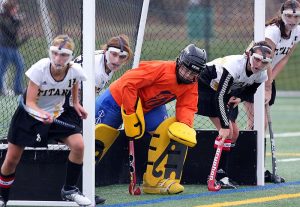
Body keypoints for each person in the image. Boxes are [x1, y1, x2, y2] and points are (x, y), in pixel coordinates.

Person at [94, 44, 207, 194]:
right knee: (98, 137)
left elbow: (187, 106)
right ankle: (80, 182)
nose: (187, 75)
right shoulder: (160, 69)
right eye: (186, 69)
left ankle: (155, 181)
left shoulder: (191, 84)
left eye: (192, 73)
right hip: (116, 99)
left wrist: (184, 126)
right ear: (179, 62)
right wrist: (130, 113)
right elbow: (129, 83)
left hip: (149, 106)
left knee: (166, 134)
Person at [0, 35, 91, 207]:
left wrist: (76, 103)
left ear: (70, 57)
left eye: (63, 55)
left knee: (79, 145)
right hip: (29, 116)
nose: (58, 58)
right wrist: (41, 114)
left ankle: (70, 190)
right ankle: (2, 197)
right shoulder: (39, 69)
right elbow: (30, 102)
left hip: (57, 114)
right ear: (51, 52)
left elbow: (74, 82)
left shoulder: (76, 71)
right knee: (11, 159)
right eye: (55, 53)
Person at [197, 41, 273, 189]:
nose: (259, 64)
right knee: (228, 132)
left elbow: (250, 91)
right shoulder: (234, 66)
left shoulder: (261, 74)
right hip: (206, 86)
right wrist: (224, 126)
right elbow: (218, 97)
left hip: (224, 92)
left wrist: (240, 98)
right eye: (256, 59)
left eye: (265, 62)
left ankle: (221, 174)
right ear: (249, 55)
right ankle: (218, 176)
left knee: (234, 133)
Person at [67, 34, 133, 205]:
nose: (117, 60)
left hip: (74, 105)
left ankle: (83, 188)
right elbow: (79, 96)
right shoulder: (95, 69)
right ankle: (78, 189)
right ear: (105, 51)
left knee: (92, 144)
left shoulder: (104, 63)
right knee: (88, 145)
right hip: (65, 107)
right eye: (114, 54)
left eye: (122, 57)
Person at [243, 0, 300, 182]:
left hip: (266, 76)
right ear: (282, 14)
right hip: (252, 74)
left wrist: (270, 81)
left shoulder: (297, 31)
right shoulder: (272, 32)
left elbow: (284, 58)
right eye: (289, 16)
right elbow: (266, 59)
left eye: (297, 16)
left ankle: (254, 166)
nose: (292, 20)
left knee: (262, 123)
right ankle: (247, 165)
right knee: (256, 122)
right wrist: (266, 86)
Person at [0, 0, 28, 95]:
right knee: (3, 68)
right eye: (15, 8)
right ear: (10, 9)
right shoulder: (3, 19)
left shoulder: (11, 18)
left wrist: (17, 20)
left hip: (13, 48)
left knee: (20, 66)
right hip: (5, 47)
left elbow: (15, 35)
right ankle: (1, 88)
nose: (17, 10)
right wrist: (17, 21)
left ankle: (17, 88)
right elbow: (11, 32)